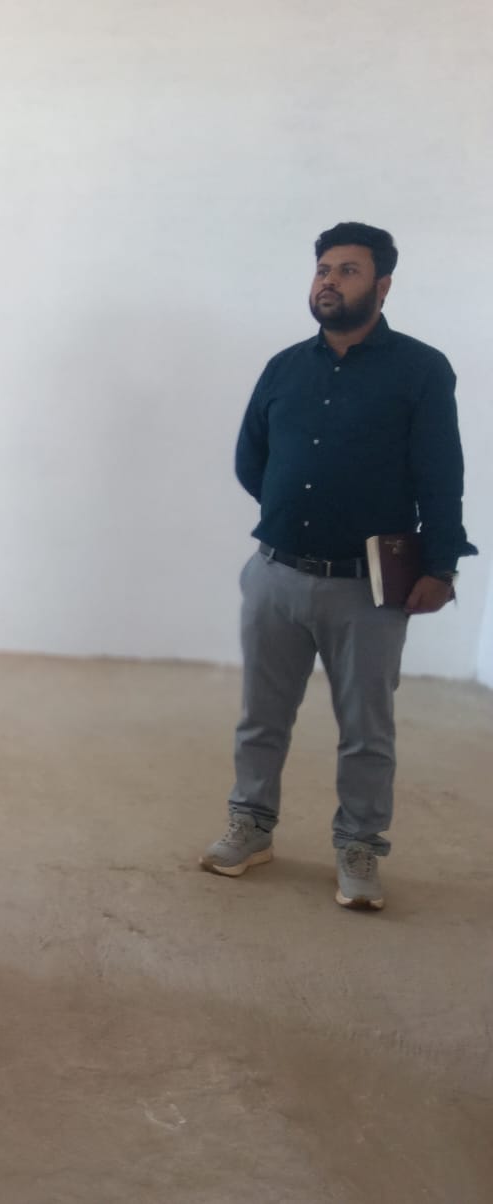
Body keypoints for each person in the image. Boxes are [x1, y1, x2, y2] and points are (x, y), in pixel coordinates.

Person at [201, 222, 476, 910]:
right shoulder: (285, 367)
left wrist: (441, 564)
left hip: (367, 587)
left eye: (348, 270)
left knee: (366, 731)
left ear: (382, 286)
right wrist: (294, 510)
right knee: (261, 719)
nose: (329, 281)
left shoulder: (420, 370)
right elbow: (252, 458)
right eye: (323, 269)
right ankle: (251, 825)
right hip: (275, 575)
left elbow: (441, 475)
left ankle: (359, 846)